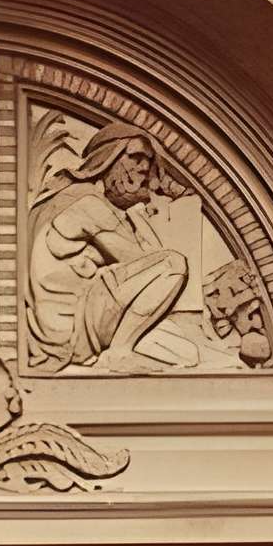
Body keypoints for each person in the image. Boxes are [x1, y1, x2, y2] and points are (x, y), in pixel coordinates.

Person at [26, 120, 190, 373]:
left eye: (148, 161)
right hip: (72, 332)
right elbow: (149, 264)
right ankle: (119, 352)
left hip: (60, 333)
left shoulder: (70, 197)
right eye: (134, 157)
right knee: (173, 264)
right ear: (108, 159)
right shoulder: (88, 204)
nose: (145, 168)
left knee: (185, 349)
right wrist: (144, 206)